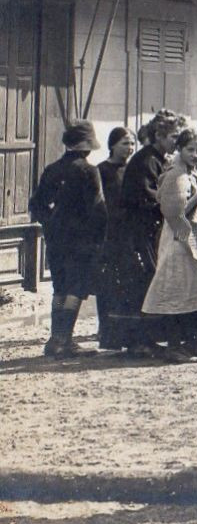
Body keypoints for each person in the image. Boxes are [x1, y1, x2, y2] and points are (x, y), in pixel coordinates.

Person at [142, 127, 197, 361]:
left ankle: (194, 344)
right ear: (180, 149)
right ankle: (174, 345)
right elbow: (174, 212)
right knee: (178, 291)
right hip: (180, 241)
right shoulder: (176, 174)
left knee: (196, 291)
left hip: (195, 239)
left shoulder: (194, 173)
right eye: (190, 149)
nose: (196, 154)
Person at [102, 110, 183, 355]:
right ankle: (137, 342)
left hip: (148, 232)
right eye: (173, 137)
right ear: (159, 135)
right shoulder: (147, 160)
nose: (176, 142)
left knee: (147, 283)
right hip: (135, 234)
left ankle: (146, 339)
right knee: (140, 284)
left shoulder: (158, 158)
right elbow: (147, 197)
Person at [29, 120, 108, 357]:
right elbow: (98, 210)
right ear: (85, 145)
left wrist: (51, 223)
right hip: (81, 242)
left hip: (55, 241)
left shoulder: (52, 169)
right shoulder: (89, 171)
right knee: (76, 287)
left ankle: (56, 339)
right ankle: (65, 340)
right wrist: (99, 241)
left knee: (60, 287)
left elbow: (36, 205)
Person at [95, 126, 137, 351]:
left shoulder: (134, 170)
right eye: (124, 143)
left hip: (129, 235)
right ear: (112, 145)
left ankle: (125, 335)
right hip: (108, 234)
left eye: (132, 144)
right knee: (108, 285)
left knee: (127, 286)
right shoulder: (101, 170)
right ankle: (107, 333)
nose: (129, 148)